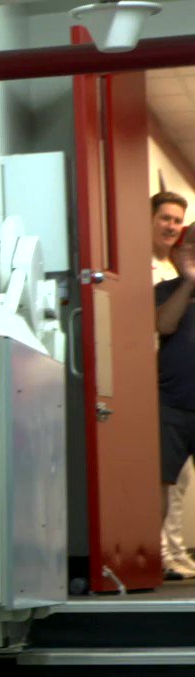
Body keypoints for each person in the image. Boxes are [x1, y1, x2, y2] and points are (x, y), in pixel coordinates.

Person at [153, 191, 195, 580]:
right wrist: (188, 281)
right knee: (164, 486)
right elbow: (164, 325)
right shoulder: (167, 290)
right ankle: (159, 557)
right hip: (172, 405)